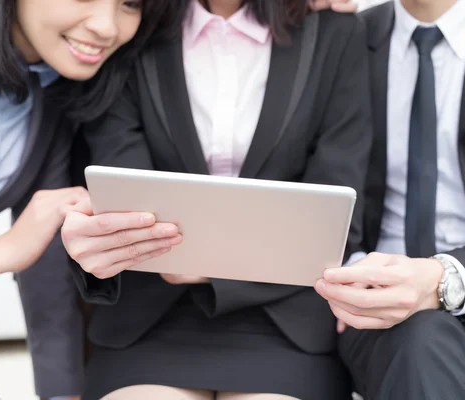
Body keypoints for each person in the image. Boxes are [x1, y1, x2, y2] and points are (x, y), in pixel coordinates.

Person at [61, 0, 372, 399]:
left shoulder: (334, 34)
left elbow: (334, 223)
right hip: (151, 318)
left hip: (283, 320)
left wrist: (201, 261)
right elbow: (126, 200)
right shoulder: (131, 24)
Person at [313, 0, 465, 399]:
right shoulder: (348, 36)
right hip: (376, 299)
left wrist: (441, 280)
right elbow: (320, 193)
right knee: (421, 344)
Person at [0, 0, 169, 399]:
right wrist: (3, 250)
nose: (107, 26)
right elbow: (22, 248)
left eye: (130, 3)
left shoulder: (55, 98)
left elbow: (47, 273)